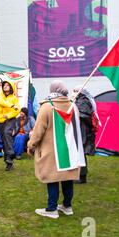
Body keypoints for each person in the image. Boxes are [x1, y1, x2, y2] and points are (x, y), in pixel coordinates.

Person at [27, 80, 82, 219]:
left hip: (51, 150)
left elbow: (38, 131)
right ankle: (67, 206)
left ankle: (52, 209)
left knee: (52, 178)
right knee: (67, 177)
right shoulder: (73, 106)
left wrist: (31, 144)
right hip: (69, 149)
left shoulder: (47, 107)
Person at [72, 86, 97, 184]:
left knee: (80, 154)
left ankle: (81, 177)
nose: (72, 93)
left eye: (74, 91)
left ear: (79, 92)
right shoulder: (81, 101)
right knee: (79, 154)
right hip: (82, 130)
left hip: (82, 132)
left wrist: (75, 113)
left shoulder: (82, 101)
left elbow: (85, 115)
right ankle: (80, 175)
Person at [0, 80, 20, 171]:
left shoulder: (14, 98)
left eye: (7, 85)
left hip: (10, 120)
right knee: (4, 140)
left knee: (7, 134)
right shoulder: (0, 96)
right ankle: (8, 162)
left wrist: (8, 115)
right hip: (0, 120)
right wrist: (11, 106)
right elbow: (1, 102)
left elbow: (17, 110)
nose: (5, 86)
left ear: (11, 87)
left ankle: (11, 154)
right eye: (4, 85)